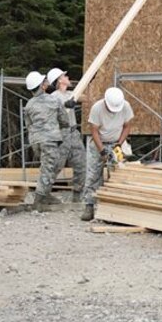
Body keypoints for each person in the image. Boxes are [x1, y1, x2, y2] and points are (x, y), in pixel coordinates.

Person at [81, 87, 134, 222]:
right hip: (98, 142)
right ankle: (89, 205)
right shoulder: (97, 108)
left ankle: (113, 208)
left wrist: (119, 144)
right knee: (93, 174)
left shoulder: (125, 106)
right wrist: (102, 150)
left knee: (116, 174)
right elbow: (94, 131)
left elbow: (127, 126)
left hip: (115, 142)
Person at [24, 70, 69, 212]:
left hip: (36, 141)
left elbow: (28, 124)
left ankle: (45, 195)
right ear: (42, 86)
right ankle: (38, 201)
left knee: (46, 167)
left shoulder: (29, 105)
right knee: (48, 169)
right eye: (44, 82)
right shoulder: (54, 100)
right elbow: (64, 121)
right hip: (50, 139)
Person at [46, 67, 86, 203]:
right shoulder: (53, 97)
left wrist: (90, 79)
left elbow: (86, 97)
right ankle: (44, 193)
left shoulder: (71, 94)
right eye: (65, 76)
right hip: (61, 133)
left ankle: (78, 194)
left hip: (73, 132)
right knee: (57, 164)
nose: (68, 78)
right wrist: (64, 105)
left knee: (81, 163)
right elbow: (52, 112)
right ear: (59, 80)